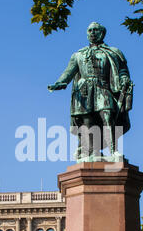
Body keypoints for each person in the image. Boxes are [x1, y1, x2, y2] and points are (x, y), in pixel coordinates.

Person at [48, 22, 133, 161]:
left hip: (103, 88)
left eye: (95, 30)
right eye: (90, 30)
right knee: (88, 121)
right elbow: (68, 72)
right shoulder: (78, 54)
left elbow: (123, 70)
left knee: (107, 116)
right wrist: (60, 83)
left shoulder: (113, 52)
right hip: (84, 91)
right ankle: (94, 151)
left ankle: (113, 151)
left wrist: (124, 79)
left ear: (102, 33)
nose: (92, 32)